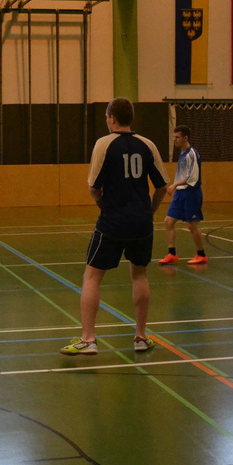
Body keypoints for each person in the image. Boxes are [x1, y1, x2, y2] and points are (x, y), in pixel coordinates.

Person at [61, 98, 168, 355]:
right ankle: (141, 337)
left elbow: (93, 187)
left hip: (112, 222)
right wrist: (149, 211)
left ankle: (88, 339)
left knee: (92, 277)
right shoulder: (148, 145)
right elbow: (162, 186)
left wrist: (102, 204)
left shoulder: (104, 144)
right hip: (141, 223)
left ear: (112, 118)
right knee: (140, 275)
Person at [158, 124, 207, 265]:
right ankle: (172, 254)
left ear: (185, 138)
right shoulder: (182, 153)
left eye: (177, 137)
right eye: (174, 137)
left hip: (191, 194)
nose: (175, 139)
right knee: (168, 221)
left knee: (192, 225)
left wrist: (174, 185)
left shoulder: (192, 154)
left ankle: (201, 255)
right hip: (180, 194)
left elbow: (193, 178)